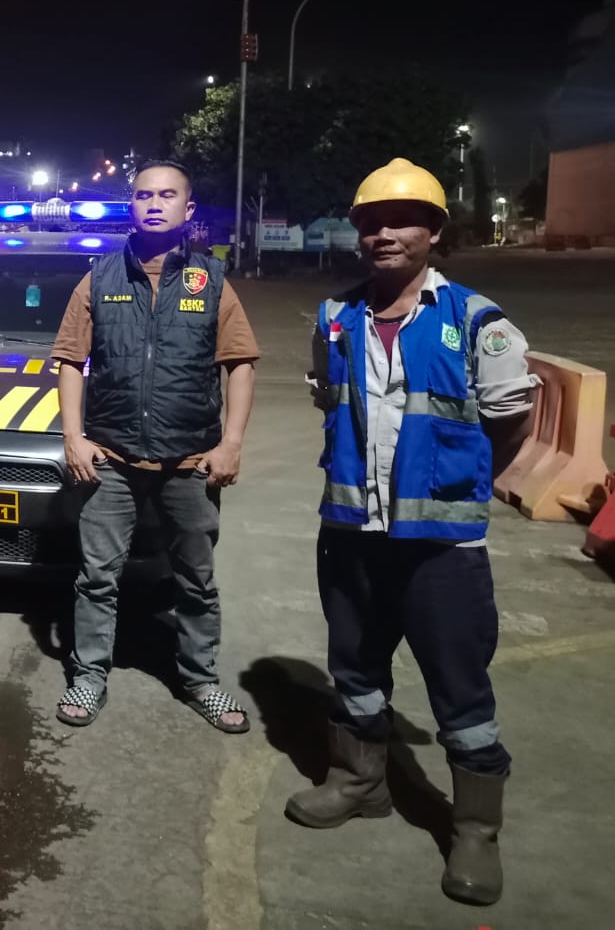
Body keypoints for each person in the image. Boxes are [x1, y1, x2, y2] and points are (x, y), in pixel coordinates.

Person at [287, 157, 534, 906]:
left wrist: (454, 486)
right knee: (354, 668)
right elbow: (332, 409)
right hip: (351, 533)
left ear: (433, 232)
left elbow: (510, 420)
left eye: (402, 221)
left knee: (460, 687)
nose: (384, 234)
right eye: (370, 223)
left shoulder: (476, 321)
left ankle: (475, 831)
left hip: (442, 546)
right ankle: (360, 782)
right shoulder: (334, 319)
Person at [52, 161, 260, 732]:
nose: (154, 204)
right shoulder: (99, 278)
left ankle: (200, 681)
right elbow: (69, 360)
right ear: (131, 205)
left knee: (196, 580)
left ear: (187, 210)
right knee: (97, 577)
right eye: (144, 195)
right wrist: (74, 437)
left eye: (167, 196)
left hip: (190, 461)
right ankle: (89, 676)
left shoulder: (211, 281)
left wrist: (231, 443)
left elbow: (240, 363)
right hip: (112, 459)